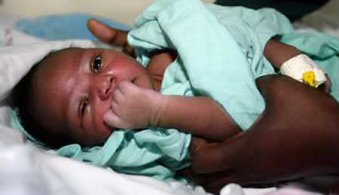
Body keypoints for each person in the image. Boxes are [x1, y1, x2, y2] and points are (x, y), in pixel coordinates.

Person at [11, 0, 339, 193]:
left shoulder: (157, 51)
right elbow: (231, 118)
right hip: (295, 112)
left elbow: (213, 26)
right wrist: (159, 111)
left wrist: (151, 37)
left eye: (97, 64)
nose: (104, 85)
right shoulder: (151, 138)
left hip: (308, 72)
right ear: (86, 144)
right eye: (84, 105)